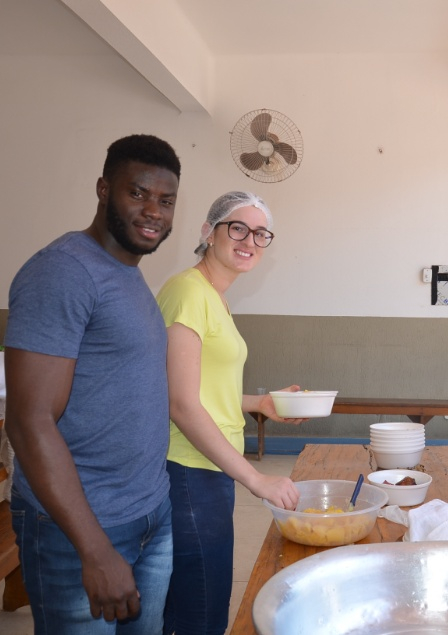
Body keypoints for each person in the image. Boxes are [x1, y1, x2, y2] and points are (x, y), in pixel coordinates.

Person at [4, 134, 180, 634]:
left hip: (148, 512)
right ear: (103, 189)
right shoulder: (63, 272)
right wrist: (95, 549)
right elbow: (28, 421)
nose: (153, 211)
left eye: (166, 201)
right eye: (138, 193)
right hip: (79, 529)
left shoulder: (127, 273)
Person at [156, 191, 304, 635]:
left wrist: (259, 403)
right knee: (199, 610)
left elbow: (204, 389)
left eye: (261, 233)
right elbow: (180, 403)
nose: (250, 240)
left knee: (198, 600)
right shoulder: (187, 291)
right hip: (187, 469)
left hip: (211, 466)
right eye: (237, 227)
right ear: (208, 232)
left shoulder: (214, 297)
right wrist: (256, 478)